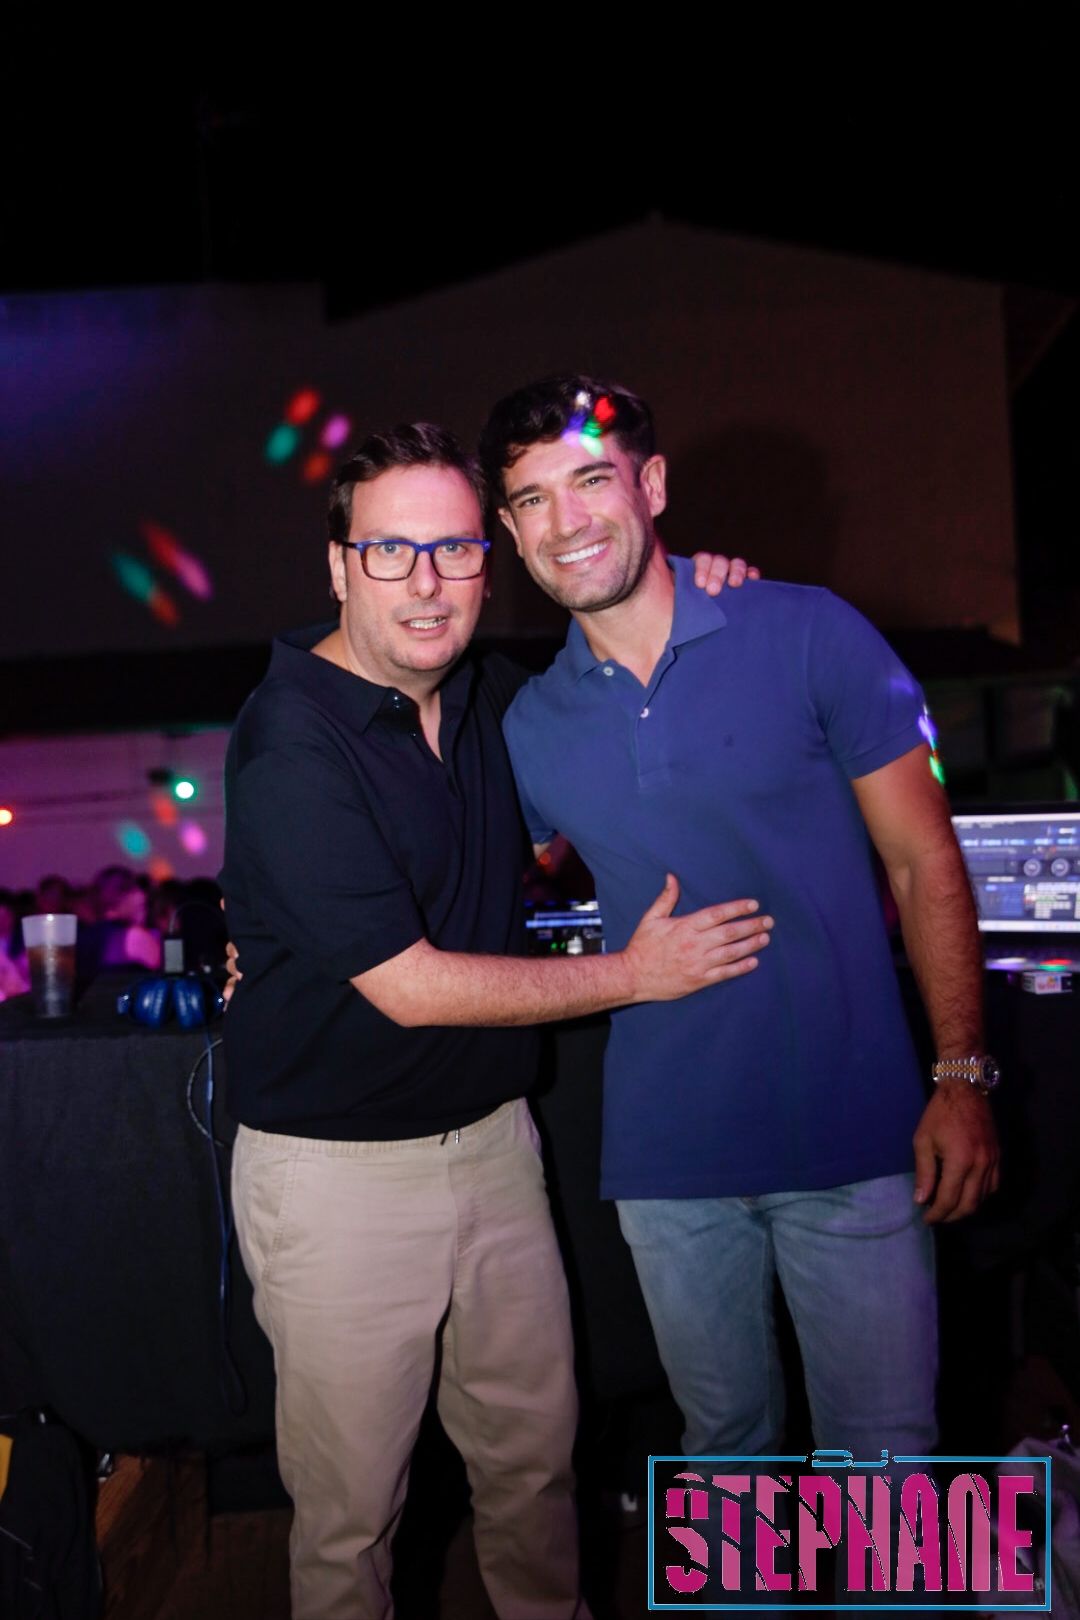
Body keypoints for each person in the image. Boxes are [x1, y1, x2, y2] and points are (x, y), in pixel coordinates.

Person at [219, 422, 766, 1620]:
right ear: (337, 565)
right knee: (354, 1518)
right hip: (336, 1179)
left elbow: (609, 716)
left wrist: (707, 591)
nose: (426, 584)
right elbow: (410, 984)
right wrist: (639, 972)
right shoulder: (287, 746)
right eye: (391, 551)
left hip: (494, 1148)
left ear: (491, 558)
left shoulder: (487, 695)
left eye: (455, 550)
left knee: (534, 1476)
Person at [481, 374, 1001, 1466]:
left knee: (888, 1460)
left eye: (590, 481)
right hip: (669, 1163)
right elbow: (483, 877)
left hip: (854, 1143)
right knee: (724, 1454)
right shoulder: (530, 725)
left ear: (653, 484)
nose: (565, 522)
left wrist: (961, 1075)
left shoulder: (806, 631)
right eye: (532, 500)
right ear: (510, 531)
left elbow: (923, 861)